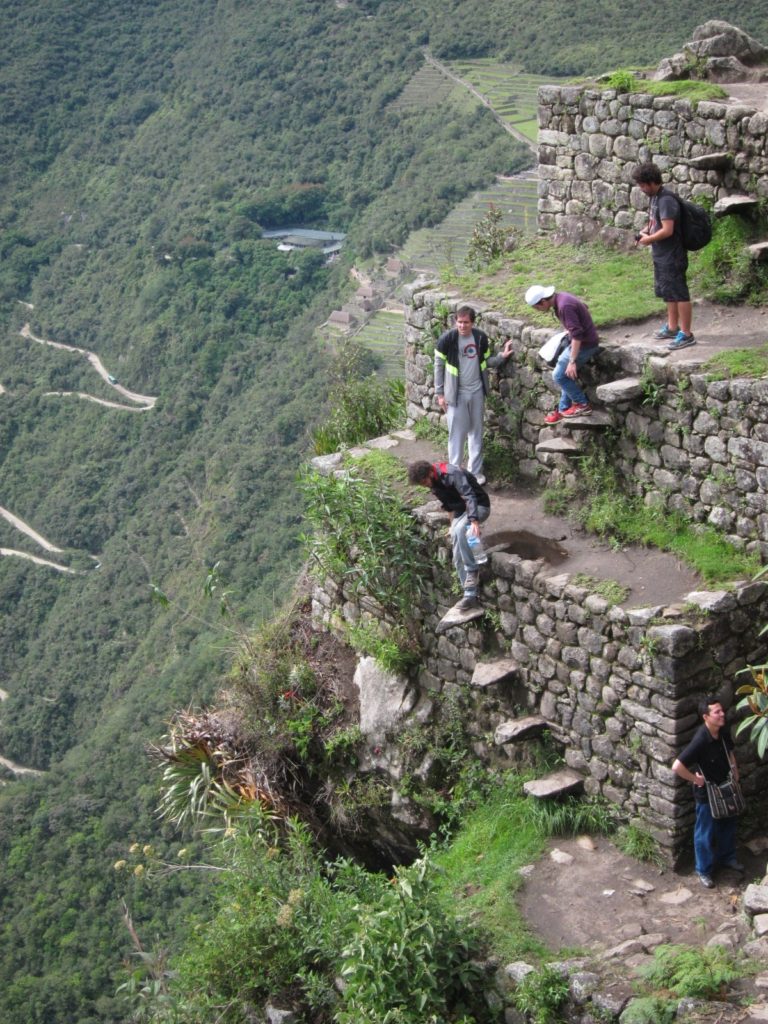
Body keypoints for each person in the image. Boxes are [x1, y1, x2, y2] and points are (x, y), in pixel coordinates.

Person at [433, 306, 514, 486]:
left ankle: (475, 473)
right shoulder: (447, 340)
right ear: (456, 321)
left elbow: (485, 362)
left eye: (466, 322)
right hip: (456, 395)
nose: (462, 326)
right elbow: (438, 366)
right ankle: (455, 474)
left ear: (472, 322)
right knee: (457, 434)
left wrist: (502, 356)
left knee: (476, 432)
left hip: (477, 392)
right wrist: (440, 394)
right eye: (459, 322)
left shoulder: (480, 337)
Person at [671, 696, 744, 889]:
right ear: (706, 717)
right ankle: (703, 870)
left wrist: (734, 770)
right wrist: (696, 780)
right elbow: (677, 766)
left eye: (722, 711)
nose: (722, 715)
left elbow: (729, 751)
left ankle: (727, 857)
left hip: (726, 787)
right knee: (705, 832)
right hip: (708, 794)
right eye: (717, 712)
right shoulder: (701, 740)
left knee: (728, 822)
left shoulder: (722, 731)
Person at [408, 459, 490, 611]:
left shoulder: (452, 473)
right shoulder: (434, 484)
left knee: (460, 530)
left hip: (479, 507)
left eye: (424, 481)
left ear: (431, 473)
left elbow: (469, 496)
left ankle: (472, 571)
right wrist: (452, 525)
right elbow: (450, 506)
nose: (424, 485)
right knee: (457, 554)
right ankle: (470, 596)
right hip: (462, 512)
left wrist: (474, 522)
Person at [631, 161, 694, 351]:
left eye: (642, 185)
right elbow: (655, 223)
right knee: (669, 292)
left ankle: (687, 334)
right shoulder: (655, 197)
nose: (641, 189)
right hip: (662, 254)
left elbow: (667, 230)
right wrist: (644, 232)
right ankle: (673, 327)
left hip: (672, 255)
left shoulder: (666, 199)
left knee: (680, 293)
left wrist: (649, 240)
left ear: (651, 182)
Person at [524, 284, 599, 423]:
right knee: (564, 375)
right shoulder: (561, 299)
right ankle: (563, 408)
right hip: (582, 341)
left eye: (537, 307)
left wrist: (572, 361)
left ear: (543, 301)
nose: (538, 311)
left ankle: (582, 404)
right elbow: (584, 307)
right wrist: (570, 328)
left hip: (586, 345)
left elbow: (577, 336)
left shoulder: (564, 306)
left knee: (558, 375)